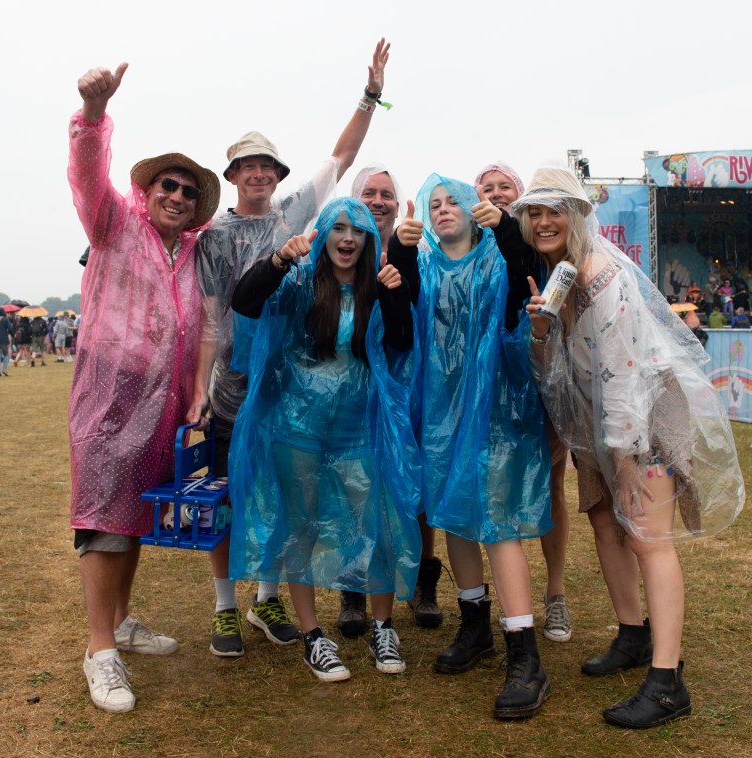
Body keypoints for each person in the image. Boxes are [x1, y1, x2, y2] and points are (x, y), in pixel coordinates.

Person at [492, 167, 743, 729]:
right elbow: (552, 374)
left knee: (649, 537)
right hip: (599, 423)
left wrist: (627, 460)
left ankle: (667, 681)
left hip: (641, 421)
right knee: (607, 525)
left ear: (580, 215)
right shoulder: (561, 277)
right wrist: (539, 328)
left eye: (555, 209)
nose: (543, 220)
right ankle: (632, 635)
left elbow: (626, 374)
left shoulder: (605, 277)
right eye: (534, 212)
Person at [188, 40, 391, 657]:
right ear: (232, 177)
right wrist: (200, 387)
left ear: (276, 176)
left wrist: (371, 95)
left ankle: (267, 596)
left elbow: (343, 154)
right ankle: (226, 603)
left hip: (292, 389)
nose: (258, 174)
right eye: (247, 166)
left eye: (266, 167)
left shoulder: (295, 210)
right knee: (228, 491)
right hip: (235, 386)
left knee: (284, 493)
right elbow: (208, 320)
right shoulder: (214, 237)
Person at [69, 62, 220, 713]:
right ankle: (99, 651)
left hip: (165, 405)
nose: (178, 195)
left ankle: (122, 622)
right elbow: (86, 176)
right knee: (102, 520)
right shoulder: (112, 224)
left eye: (188, 189)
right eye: (168, 184)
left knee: (133, 516)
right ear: (147, 189)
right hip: (110, 395)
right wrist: (93, 117)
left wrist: (198, 391)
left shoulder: (194, 248)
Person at [229, 197, 420, 681]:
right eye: (337, 228)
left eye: (357, 230)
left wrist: (396, 293)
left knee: (374, 522)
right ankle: (314, 636)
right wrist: (278, 260)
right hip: (299, 427)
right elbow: (245, 302)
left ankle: (382, 627)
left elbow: (400, 343)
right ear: (324, 235)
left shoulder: (378, 286)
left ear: (369, 240)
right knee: (303, 524)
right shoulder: (298, 283)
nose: (348, 238)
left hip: (360, 426)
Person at [389, 173, 552, 720]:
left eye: (451, 201)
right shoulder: (426, 266)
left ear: (472, 209)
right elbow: (401, 310)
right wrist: (399, 250)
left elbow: (528, 276)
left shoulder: (497, 258)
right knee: (454, 518)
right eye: (433, 204)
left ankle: (524, 652)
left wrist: (506, 229)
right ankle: (474, 621)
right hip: (442, 416)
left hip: (499, 411)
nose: (441, 210)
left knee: (498, 524)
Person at [335, 163, 445, 634]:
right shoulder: (341, 251)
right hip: (354, 391)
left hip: (412, 388)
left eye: (386, 194)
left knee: (415, 489)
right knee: (353, 489)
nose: (377, 201)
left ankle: (424, 583)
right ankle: (353, 590)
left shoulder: (418, 253)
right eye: (369, 193)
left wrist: (402, 251)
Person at [475, 161, 572, 644]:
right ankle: (507, 597)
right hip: (492, 393)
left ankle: (555, 596)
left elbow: (522, 277)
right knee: (494, 490)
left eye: (504, 187)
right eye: (486, 188)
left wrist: (509, 232)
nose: (495, 194)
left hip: (541, 384)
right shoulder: (469, 250)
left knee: (552, 486)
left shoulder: (535, 248)